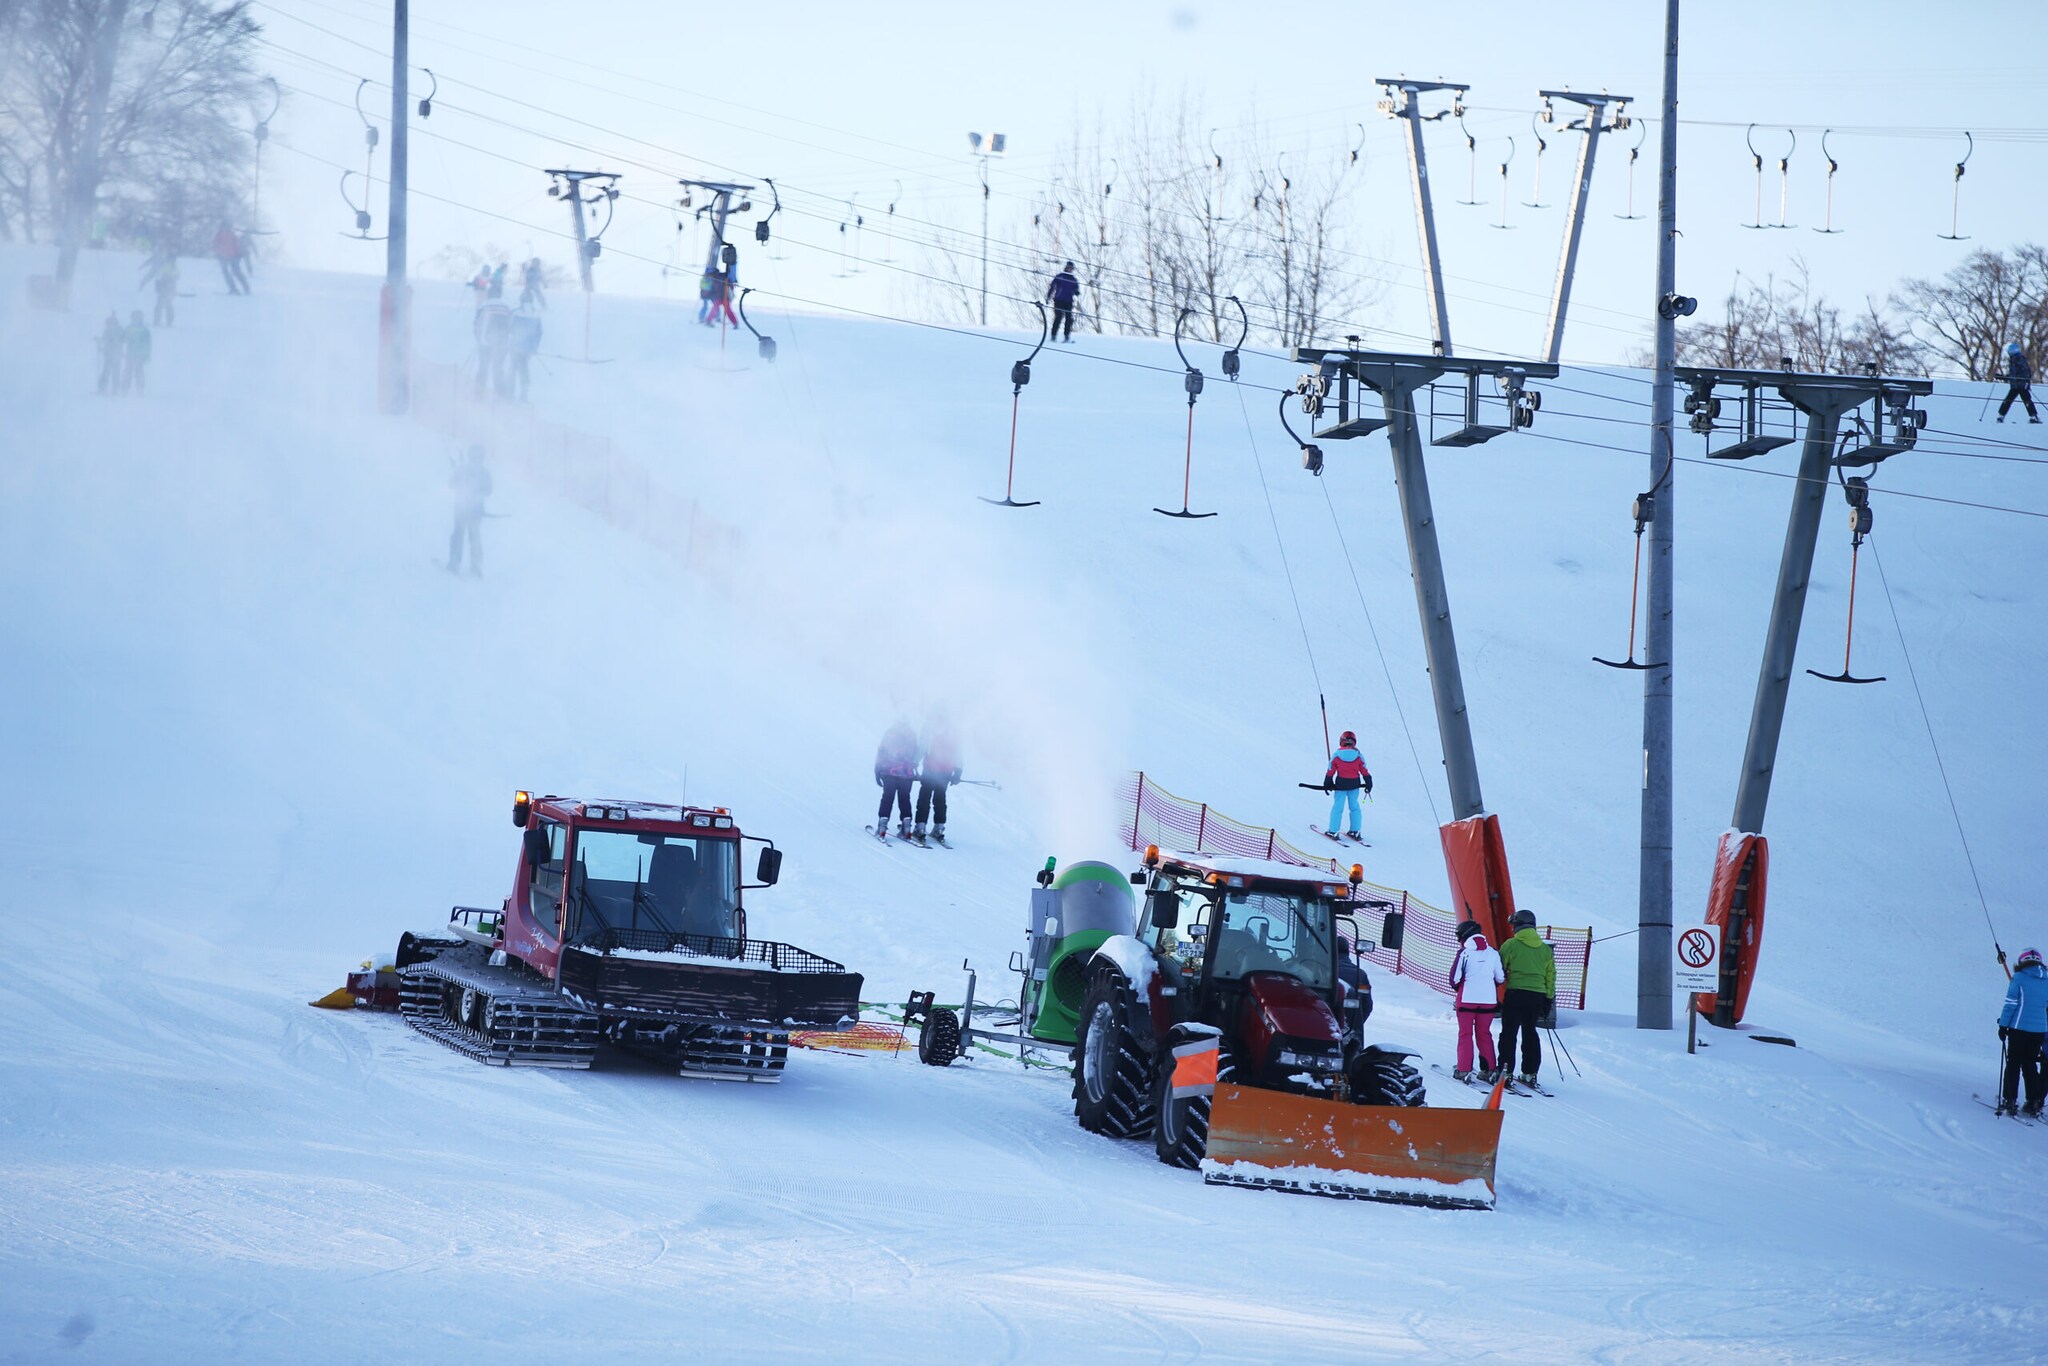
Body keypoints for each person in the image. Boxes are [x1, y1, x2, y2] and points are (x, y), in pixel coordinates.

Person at [1497, 908, 1556, 1087]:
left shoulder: (1511, 945)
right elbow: (1550, 976)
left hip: (1516, 994)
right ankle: (1530, 1072)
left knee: (1509, 1034)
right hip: (1537, 996)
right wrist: (1548, 999)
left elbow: (1500, 968)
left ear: (1517, 926)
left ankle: (1505, 1072)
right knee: (1530, 1033)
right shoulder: (1545, 950)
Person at [1450, 922, 1504, 1082]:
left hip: (1466, 1000)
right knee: (1484, 1034)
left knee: (1465, 1034)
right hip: (1488, 1001)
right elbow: (1500, 977)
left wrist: (1461, 987)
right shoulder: (1493, 953)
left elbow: (1454, 979)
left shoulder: (1464, 953)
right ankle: (1489, 1069)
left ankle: (1464, 1069)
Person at [1997, 946, 2047, 1117]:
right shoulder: (2046, 980)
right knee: (2030, 1065)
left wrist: (2003, 1026)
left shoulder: (2019, 978)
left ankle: (2009, 1100)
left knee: (2013, 1064)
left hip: (2019, 1029)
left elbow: (2011, 1004)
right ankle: (2033, 1101)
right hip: (2039, 1031)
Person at [913, 714, 962, 843]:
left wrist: (914, 762)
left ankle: (920, 827)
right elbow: (958, 752)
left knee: (924, 798)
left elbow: (923, 747)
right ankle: (939, 828)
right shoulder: (952, 730)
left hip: (930, 769)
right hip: (946, 771)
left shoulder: (929, 726)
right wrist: (958, 771)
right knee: (940, 799)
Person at [446, 445, 492, 576]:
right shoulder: (462, 470)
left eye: (478, 457)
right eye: (472, 456)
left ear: (481, 458)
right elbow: (450, 484)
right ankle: (455, 562)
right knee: (459, 535)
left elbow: (489, 490)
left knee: (474, 536)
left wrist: (477, 493)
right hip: (461, 508)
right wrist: (459, 486)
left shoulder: (484, 473)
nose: (475, 459)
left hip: (475, 510)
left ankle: (475, 566)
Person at [1322, 730, 1372, 842]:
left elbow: (1330, 770)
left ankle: (1333, 831)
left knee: (1338, 808)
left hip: (1341, 785)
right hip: (1354, 785)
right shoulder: (1358, 755)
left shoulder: (1336, 755)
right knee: (1354, 807)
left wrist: (1327, 783)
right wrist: (1369, 782)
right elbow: (1364, 771)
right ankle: (1355, 830)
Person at [873, 720, 920, 839]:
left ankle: (882, 827)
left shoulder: (890, 733)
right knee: (904, 799)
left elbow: (881, 751)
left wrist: (877, 770)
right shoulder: (912, 736)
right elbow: (917, 754)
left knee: (887, 798)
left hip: (889, 771)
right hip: (906, 774)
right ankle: (907, 827)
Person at [1996, 342, 2039, 424]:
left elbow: (2026, 372)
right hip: (2015, 385)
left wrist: (2025, 381)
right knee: (2008, 400)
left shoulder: (2020, 359)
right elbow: (2013, 374)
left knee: (2026, 400)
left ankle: (2034, 417)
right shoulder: (2013, 360)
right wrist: (2002, 377)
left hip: (2022, 385)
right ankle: (2001, 416)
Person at [509, 304, 542, 401]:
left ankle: (510, 392)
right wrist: (534, 348)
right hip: (527, 349)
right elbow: (539, 333)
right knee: (523, 369)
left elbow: (510, 329)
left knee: (513, 368)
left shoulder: (517, 313)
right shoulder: (536, 315)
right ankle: (524, 392)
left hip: (515, 347)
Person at [1046, 261, 1080, 342]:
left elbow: (1076, 289)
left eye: (1071, 268)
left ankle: (1067, 336)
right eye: (1069, 268)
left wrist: (1076, 292)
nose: (1070, 269)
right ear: (1066, 267)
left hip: (1069, 301)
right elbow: (1052, 287)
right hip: (1059, 300)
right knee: (1059, 317)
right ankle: (1053, 336)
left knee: (1069, 318)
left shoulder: (1073, 279)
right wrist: (1049, 297)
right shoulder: (1060, 276)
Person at [212, 222, 248, 295]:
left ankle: (246, 288)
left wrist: (239, 254)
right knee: (226, 272)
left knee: (236, 272)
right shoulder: (218, 235)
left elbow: (237, 245)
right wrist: (218, 253)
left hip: (233, 256)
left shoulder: (232, 235)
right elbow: (215, 245)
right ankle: (233, 289)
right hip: (223, 256)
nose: (224, 229)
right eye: (223, 227)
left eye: (226, 227)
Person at [122, 311, 152, 395]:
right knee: (128, 371)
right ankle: (125, 388)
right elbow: (123, 339)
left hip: (140, 355)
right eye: (134, 317)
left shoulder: (144, 330)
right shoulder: (129, 328)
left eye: (138, 317)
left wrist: (147, 355)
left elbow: (148, 344)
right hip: (130, 354)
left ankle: (140, 388)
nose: (136, 319)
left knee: (138, 371)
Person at [96, 311, 125, 395]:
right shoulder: (119, 329)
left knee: (107, 371)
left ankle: (104, 388)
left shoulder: (110, 329)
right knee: (114, 372)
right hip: (113, 354)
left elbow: (105, 340)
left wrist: (99, 343)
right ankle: (113, 388)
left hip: (111, 354)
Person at [150, 253, 179, 327]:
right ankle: (160, 321)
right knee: (163, 305)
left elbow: (176, 276)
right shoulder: (167, 265)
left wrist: (167, 279)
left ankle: (164, 321)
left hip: (168, 288)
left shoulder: (173, 266)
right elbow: (159, 276)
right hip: (164, 287)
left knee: (165, 305)